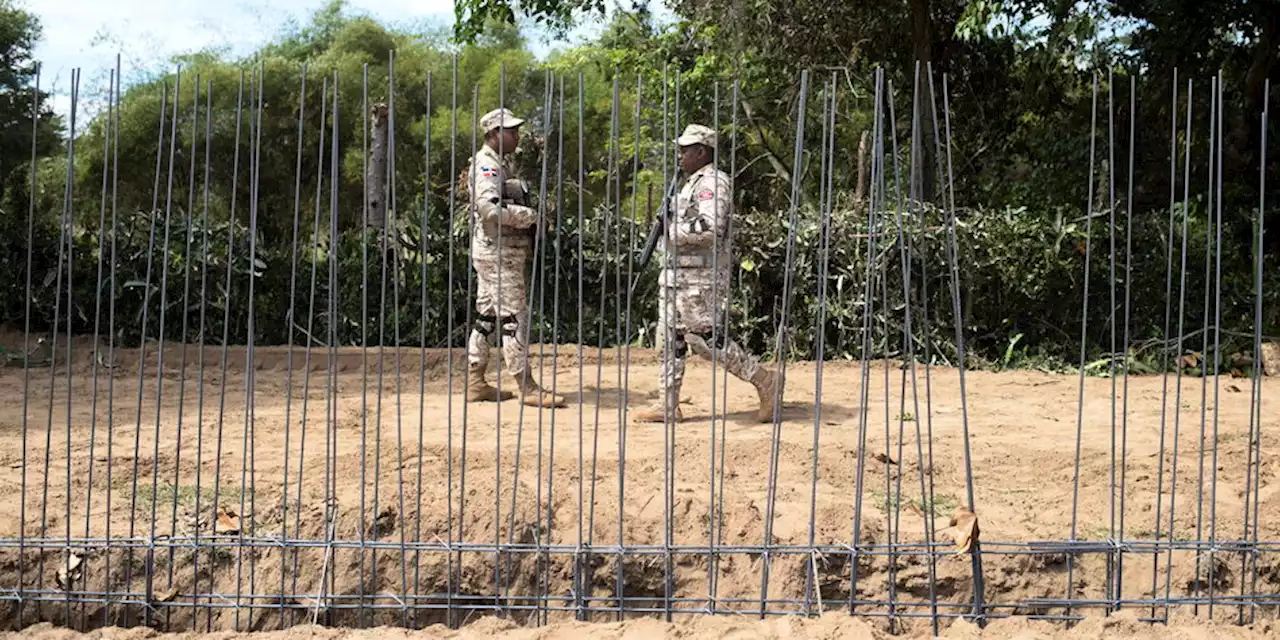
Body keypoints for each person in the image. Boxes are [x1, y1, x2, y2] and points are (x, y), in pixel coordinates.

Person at [635, 123, 782, 424]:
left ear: (702, 151)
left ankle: (765, 379)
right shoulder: (688, 183)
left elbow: (711, 227)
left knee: (705, 341)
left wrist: (671, 230)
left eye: (685, 150)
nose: (680, 156)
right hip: (676, 275)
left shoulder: (714, 183)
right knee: (669, 339)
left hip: (700, 279)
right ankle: (668, 404)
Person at [464, 107, 565, 408]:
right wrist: (530, 216)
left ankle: (475, 381)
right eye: (511, 131)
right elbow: (490, 210)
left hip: (495, 252)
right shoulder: (487, 166)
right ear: (495, 133)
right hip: (499, 253)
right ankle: (527, 387)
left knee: (487, 317)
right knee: (514, 318)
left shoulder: (497, 164)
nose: (516, 136)